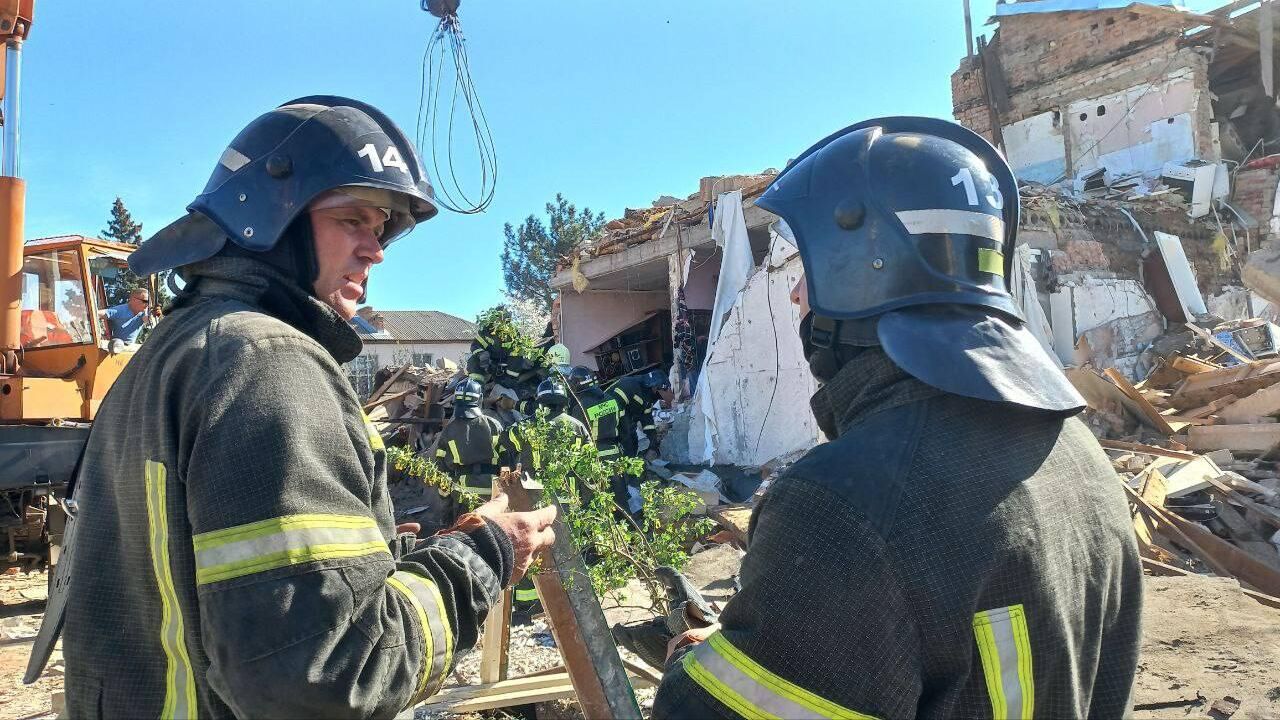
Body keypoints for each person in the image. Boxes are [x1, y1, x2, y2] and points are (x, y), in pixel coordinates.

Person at [52, 96, 557, 719]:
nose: (376, 251)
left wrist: (370, 564)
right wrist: (484, 555)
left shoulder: (174, 352)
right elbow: (327, 676)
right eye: (353, 220)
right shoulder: (266, 362)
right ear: (273, 217)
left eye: (382, 230)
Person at [653, 117, 1142, 718]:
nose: (794, 293)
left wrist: (692, 669)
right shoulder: (1080, 455)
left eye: (808, 268)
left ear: (860, 268)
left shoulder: (847, 505)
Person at [434, 378, 506, 508]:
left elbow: (442, 466)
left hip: (463, 494)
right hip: (492, 493)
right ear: (479, 399)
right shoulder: (493, 425)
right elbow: (506, 459)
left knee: (464, 527)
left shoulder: (449, 430)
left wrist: (444, 496)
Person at [606, 368, 673, 457]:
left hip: (625, 417)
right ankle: (628, 465)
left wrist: (653, 442)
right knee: (627, 442)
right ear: (653, 385)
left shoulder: (647, 397)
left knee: (633, 440)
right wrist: (627, 428)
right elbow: (617, 408)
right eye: (658, 389)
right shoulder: (630, 385)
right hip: (611, 417)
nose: (658, 393)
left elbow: (647, 420)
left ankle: (633, 462)